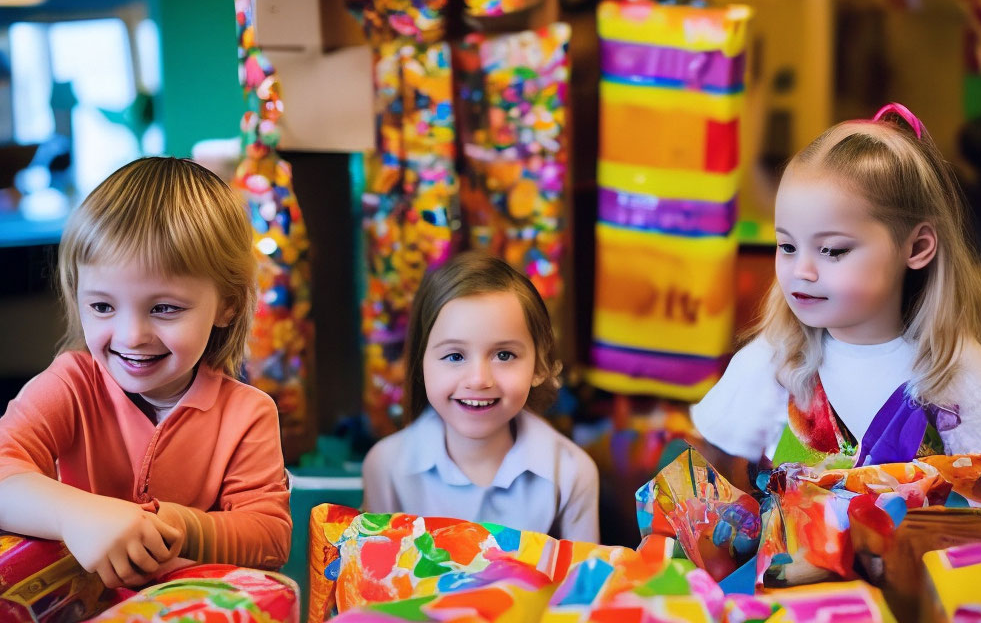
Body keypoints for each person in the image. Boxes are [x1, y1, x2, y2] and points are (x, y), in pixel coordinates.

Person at [0, 156, 291, 589]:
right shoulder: (71, 385)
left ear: (227, 305)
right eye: (102, 307)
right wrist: (76, 513)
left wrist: (175, 526)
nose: (131, 335)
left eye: (164, 308)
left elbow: (269, 537)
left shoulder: (247, 413)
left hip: (187, 613)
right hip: (75, 612)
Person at [690, 102, 981, 478]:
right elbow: (703, 486)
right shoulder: (775, 362)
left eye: (832, 250)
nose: (801, 270)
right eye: (787, 246)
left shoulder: (951, 368)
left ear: (916, 248)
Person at [362, 251, 600, 542]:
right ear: (420, 363)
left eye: (504, 355)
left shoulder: (572, 473)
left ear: (540, 365)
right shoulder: (386, 467)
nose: (479, 379)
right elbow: (372, 579)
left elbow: (587, 584)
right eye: (454, 356)